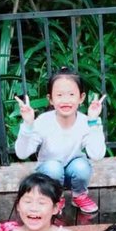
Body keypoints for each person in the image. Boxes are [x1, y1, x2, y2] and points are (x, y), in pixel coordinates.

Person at [14, 66, 106, 215]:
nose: (65, 100)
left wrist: (93, 122)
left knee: (81, 166)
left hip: (73, 172)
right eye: (59, 95)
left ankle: (79, 196)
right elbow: (22, 153)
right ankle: (55, 197)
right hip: (49, 173)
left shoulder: (86, 121)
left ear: (81, 98)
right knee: (53, 168)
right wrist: (28, 124)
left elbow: (97, 155)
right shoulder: (43, 121)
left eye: (71, 94)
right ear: (50, 99)